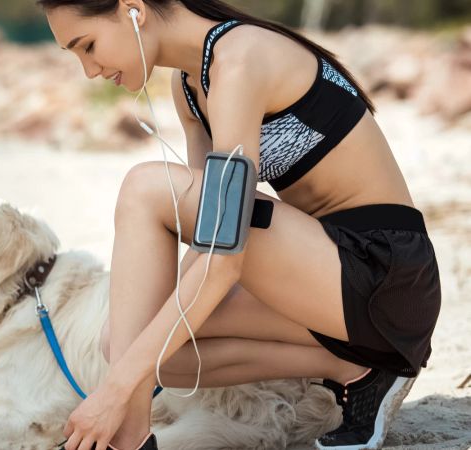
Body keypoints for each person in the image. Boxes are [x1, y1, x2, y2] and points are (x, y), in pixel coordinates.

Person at [35, 1, 442, 449]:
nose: (89, 70)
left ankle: (126, 440)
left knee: (145, 188)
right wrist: (129, 364)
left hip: (384, 272)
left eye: (88, 46)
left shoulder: (240, 58)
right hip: (321, 281)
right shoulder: (189, 87)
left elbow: (223, 258)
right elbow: (207, 232)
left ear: (134, 9)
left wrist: (114, 394)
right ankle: (356, 369)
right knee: (130, 344)